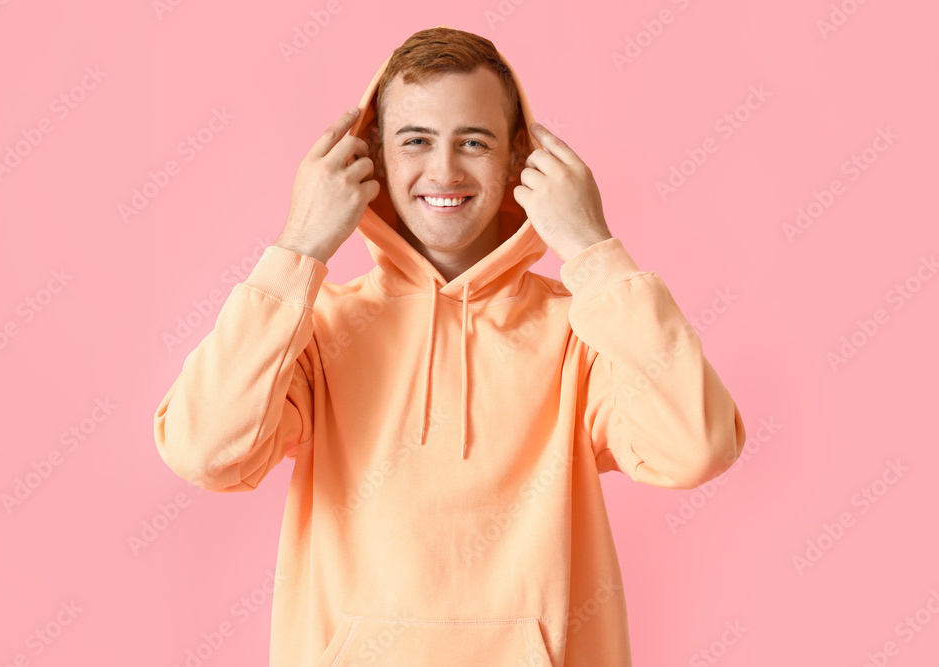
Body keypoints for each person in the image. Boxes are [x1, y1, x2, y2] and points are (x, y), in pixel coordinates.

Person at [153, 24, 747, 667]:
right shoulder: (317, 329)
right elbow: (204, 451)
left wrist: (592, 250)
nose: (444, 170)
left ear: (519, 159)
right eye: (416, 141)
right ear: (373, 158)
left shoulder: (583, 330)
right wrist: (297, 248)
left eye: (473, 141)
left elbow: (695, 449)